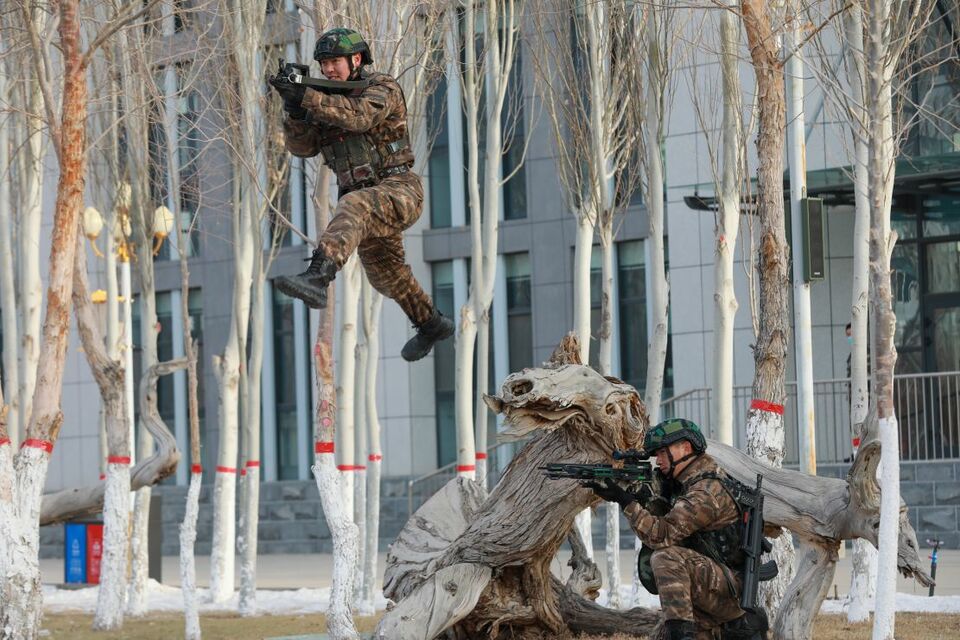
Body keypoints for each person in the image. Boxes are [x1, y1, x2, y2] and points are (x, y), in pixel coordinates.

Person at [269, 28, 454, 362]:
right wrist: (294, 110)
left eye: (335, 62)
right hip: (362, 207)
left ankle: (318, 276)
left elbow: (359, 117)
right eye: (323, 64)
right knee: (387, 276)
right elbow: (303, 148)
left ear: (356, 60)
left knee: (354, 203)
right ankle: (431, 323)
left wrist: (308, 97)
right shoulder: (323, 101)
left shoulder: (382, 88)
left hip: (398, 190)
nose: (328, 70)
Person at [586, 419, 769, 640]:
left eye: (663, 452)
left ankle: (736, 624)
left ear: (686, 448)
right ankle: (735, 629)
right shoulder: (682, 483)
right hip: (710, 585)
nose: (658, 459)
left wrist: (625, 502)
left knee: (666, 558)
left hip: (728, 592)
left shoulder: (706, 491)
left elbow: (661, 536)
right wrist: (642, 498)